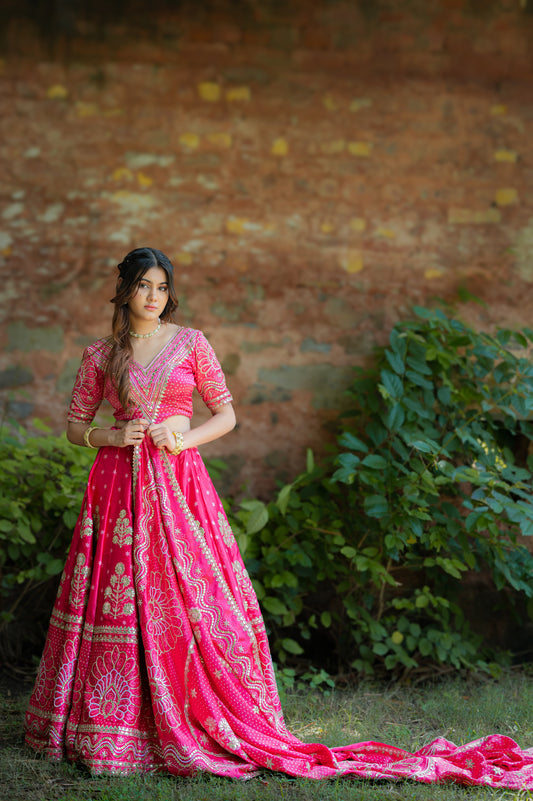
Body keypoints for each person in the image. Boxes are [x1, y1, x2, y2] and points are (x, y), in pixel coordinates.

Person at [25, 247, 533, 788]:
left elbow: (227, 414)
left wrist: (181, 439)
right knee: (118, 596)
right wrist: (111, 435)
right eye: (143, 286)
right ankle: (114, 724)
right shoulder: (101, 352)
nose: (153, 297)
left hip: (178, 483)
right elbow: (74, 425)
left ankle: (195, 711)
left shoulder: (191, 342)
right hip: (117, 485)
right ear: (124, 288)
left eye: (162, 287)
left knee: (185, 597)